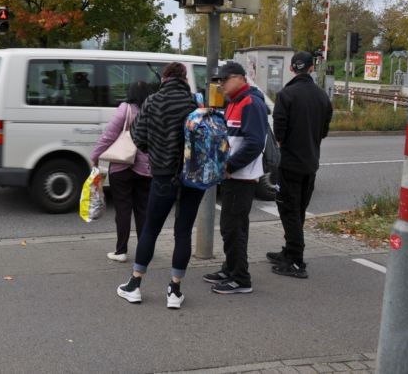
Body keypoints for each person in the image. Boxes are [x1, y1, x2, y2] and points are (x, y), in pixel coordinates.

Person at [116, 63, 204, 310]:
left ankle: (134, 285)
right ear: (185, 78)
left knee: (151, 230)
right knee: (183, 231)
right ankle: (175, 291)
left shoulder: (153, 101)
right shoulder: (195, 102)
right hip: (193, 176)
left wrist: (155, 153)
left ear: (164, 78)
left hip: (163, 176)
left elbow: (138, 136)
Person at [267, 51, 333, 278]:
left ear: (292, 69)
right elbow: (324, 131)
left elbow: (279, 133)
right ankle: (290, 250)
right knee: (299, 210)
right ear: (312, 68)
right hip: (311, 162)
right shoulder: (323, 97)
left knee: (288, 210)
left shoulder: (286, 95)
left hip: (290, 163)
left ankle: (296, 260)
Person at [204, 61, 268, 294]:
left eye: (225, 79)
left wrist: (229, 165)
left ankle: (241, 278)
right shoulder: (234, 102)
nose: (221, 84)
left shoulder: (251, 103)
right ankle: (230, 268)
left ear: (241, 78)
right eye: (219, 81)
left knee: (233, 228)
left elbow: (254, 143)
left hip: (242, 177)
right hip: (233, 175)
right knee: (233, 226)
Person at [90, 81, 152, 263]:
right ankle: (144, 250)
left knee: (123, 209)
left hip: (121, 166)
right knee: (143, 210)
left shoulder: (125, 109)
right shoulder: (153, 109)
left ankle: (121, 251)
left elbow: (109, 135)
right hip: (145, 168)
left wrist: (95, 155)